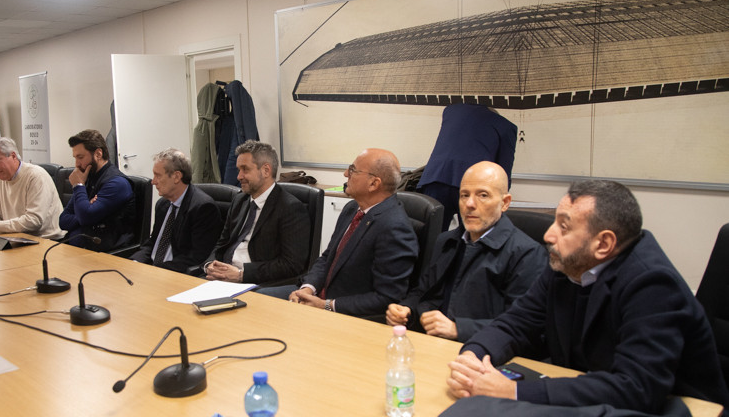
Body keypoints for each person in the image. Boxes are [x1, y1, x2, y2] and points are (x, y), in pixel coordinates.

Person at [447, 179, 729, 416]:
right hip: (590, 398)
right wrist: (473, 356)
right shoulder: (566, 266)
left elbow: (636, 387)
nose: (548, 235)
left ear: (603, 243)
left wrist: (514, 391)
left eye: (564, 227)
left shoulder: (653, 285)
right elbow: (515, 324)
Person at [386, 161, 547, 340]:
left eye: (483, 195)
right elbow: (423, 291)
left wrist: (458, 329)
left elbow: (523, 325)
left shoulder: (527, 254)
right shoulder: (447, 241)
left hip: (481, 350)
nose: (469, 203)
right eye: (464, 195)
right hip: (431, 341)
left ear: (505, 203)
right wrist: (406, 309)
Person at [271, 148, 418, 319]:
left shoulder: (395, 227)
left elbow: (387, 298)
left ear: (373, 184)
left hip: (346, 314)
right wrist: (307, 288)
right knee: (256, 298)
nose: (346, 173)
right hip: (318, 296)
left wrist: (326, 305)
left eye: (353, 170)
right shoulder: (352, 208)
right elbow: (328, 258)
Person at [203, 140, 310, 287]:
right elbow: (222, 243)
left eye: (245, 169)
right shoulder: (240, 200)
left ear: (266, 170)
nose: (239, 176)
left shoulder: (290, 208)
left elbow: (291, 264)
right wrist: (210, 264)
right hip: (223, 277)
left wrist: (241, 275)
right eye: (238, 170)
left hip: (256, 282)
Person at [416, 104, 517, 230]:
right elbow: (503, 173)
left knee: (432, 234)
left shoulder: (451, 111)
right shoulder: (506, 127)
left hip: (436, 178)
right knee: (471, 234)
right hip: (472, 186)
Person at [131, 149, 222, 273]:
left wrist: (155, 270)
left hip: (175, 273)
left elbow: (196, 257)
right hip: (153, 269)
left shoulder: (203, 208)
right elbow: (153, 242)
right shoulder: (162, 204)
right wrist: (135, 262)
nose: (153, 181)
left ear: (177, 177)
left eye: (158, 176)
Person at [0, 137, 65, 240]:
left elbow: (33, 221)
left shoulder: (35, 176)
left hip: (46, 240)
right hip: (15, 237)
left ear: (13, 156)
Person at [58, 129, 134, 252]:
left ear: (98, 154)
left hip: (105, 252)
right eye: (75, 158)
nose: (77, 164)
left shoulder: (117, 183)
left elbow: (85, 217)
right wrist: (85, 211)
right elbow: (63, 220)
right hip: (77, 247)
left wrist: (78, 186)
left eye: (80, 157)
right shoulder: (88, 178)